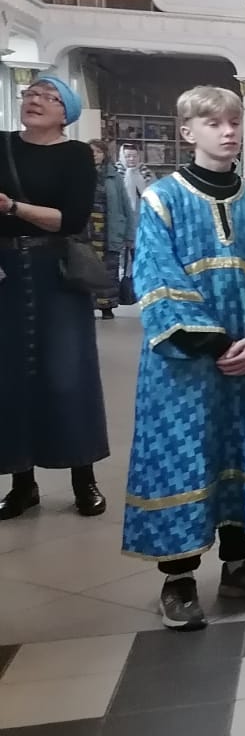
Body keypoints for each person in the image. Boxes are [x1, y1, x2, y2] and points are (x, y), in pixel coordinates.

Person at [122, 86, 245, 629]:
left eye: (233, 123)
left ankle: (240, 565)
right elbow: (156, 277)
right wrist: (214, 343)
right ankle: (178, 577)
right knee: (185, 455)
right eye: (213, 123)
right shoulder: (164, 199)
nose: (228, 132)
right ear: (188, 132)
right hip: (183, 365)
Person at [0, 76, 111, 520]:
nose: (36, 101)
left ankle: (83, 478)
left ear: (66, 113)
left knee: (68, 374)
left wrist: (12, 208)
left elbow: (72, 219)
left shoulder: (76, 154)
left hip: (56, 272)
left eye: (49, 97)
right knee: (11, 376)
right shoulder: (2, 145)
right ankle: (21, 483)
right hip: (6, 271)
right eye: (31, 94)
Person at [88, 139, 135, 319]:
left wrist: (130, 235)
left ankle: (107, 307)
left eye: (98, 152)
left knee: (109, 270)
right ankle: (89, 305)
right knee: (87, 268)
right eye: (91, 151)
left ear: (105, 154)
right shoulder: (79, 174)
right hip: (87, 231)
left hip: (110, 230)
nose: (95, 155)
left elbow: (126, 206)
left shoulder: (114, 177)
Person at [120, 141, 153, 219]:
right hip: (122, 213)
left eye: (135, 156)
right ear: (122, 157)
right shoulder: (116, 172)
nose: (132, 159)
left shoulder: (147, 172)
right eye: (128, 156)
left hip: (144, 212)